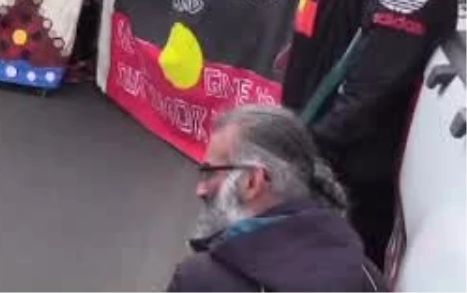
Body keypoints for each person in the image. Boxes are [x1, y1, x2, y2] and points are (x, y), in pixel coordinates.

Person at [283, 0, 466, 267]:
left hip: (351, 168)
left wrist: (316, 145)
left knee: (330, 269)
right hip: (325, 146)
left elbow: (381, 74)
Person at [164, 105, 386, 293]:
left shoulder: (199, 282)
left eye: (210, 172)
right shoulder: (366, 275)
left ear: (252, 182)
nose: (200, 189)